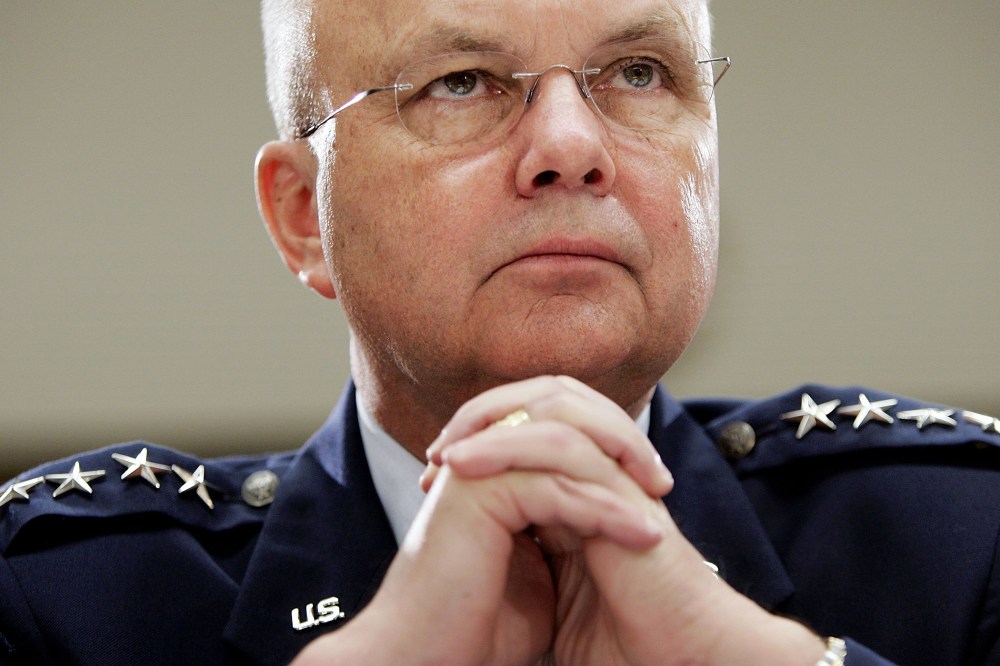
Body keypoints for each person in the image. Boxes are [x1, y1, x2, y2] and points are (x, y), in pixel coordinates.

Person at [1, 0, 998, 664]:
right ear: (305, 215)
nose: (571, 146)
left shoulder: (961, 542)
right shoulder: (60, 601)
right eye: (461, 81)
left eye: (639, 73)